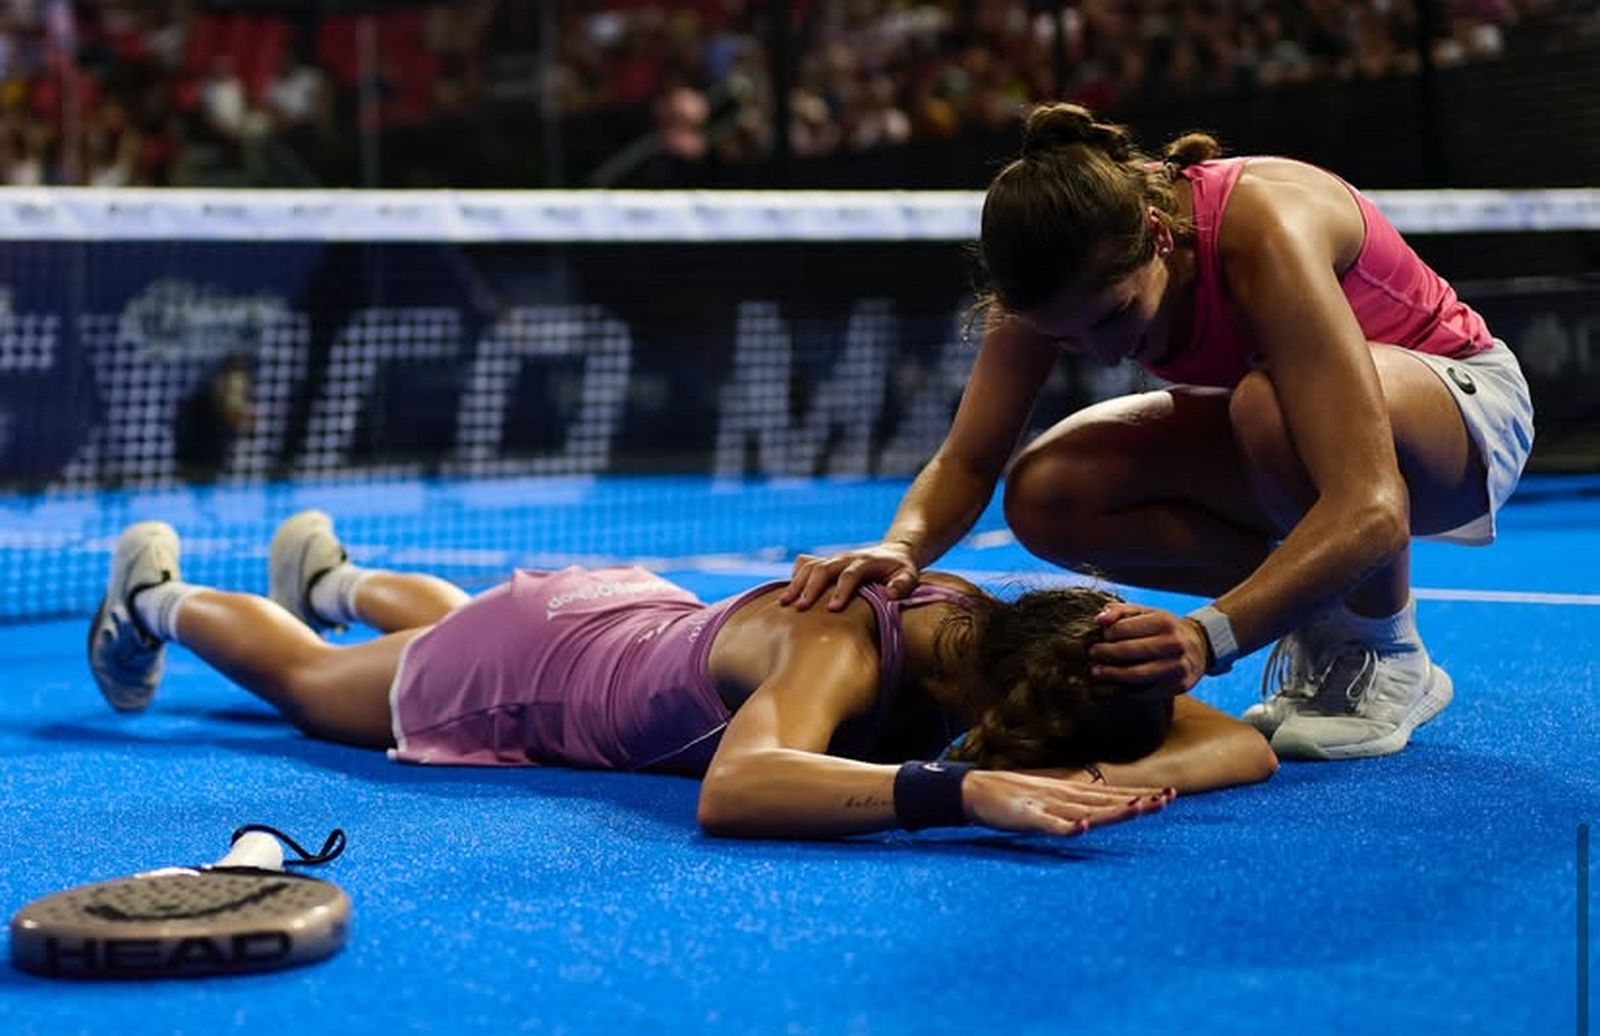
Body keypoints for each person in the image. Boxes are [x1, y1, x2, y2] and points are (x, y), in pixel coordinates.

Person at [783, 103, 1534, 761]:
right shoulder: (1053, 276)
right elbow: (970, 459)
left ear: (1157, 235)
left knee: (1266, 408)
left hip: (1463, 416)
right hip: (1298, 436)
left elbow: (1372, 505)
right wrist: (900, 546)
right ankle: (1323, 612)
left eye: (1113, 319)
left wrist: (1209, 636)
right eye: (1071, 340)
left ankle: (1388, 652)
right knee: (1050, 493)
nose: (1108, 353)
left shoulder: (1261, 231)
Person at [87, 511, 1277, 841]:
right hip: (537, 671)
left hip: (628, 614)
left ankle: (338, 572)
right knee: (309, 689)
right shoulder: (838, 651)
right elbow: (739, 786)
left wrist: (1096, 767)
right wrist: (957, 792)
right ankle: (154, 596)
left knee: (440, 627)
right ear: (992, 712)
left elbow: (1243, 743)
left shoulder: (996, 632)